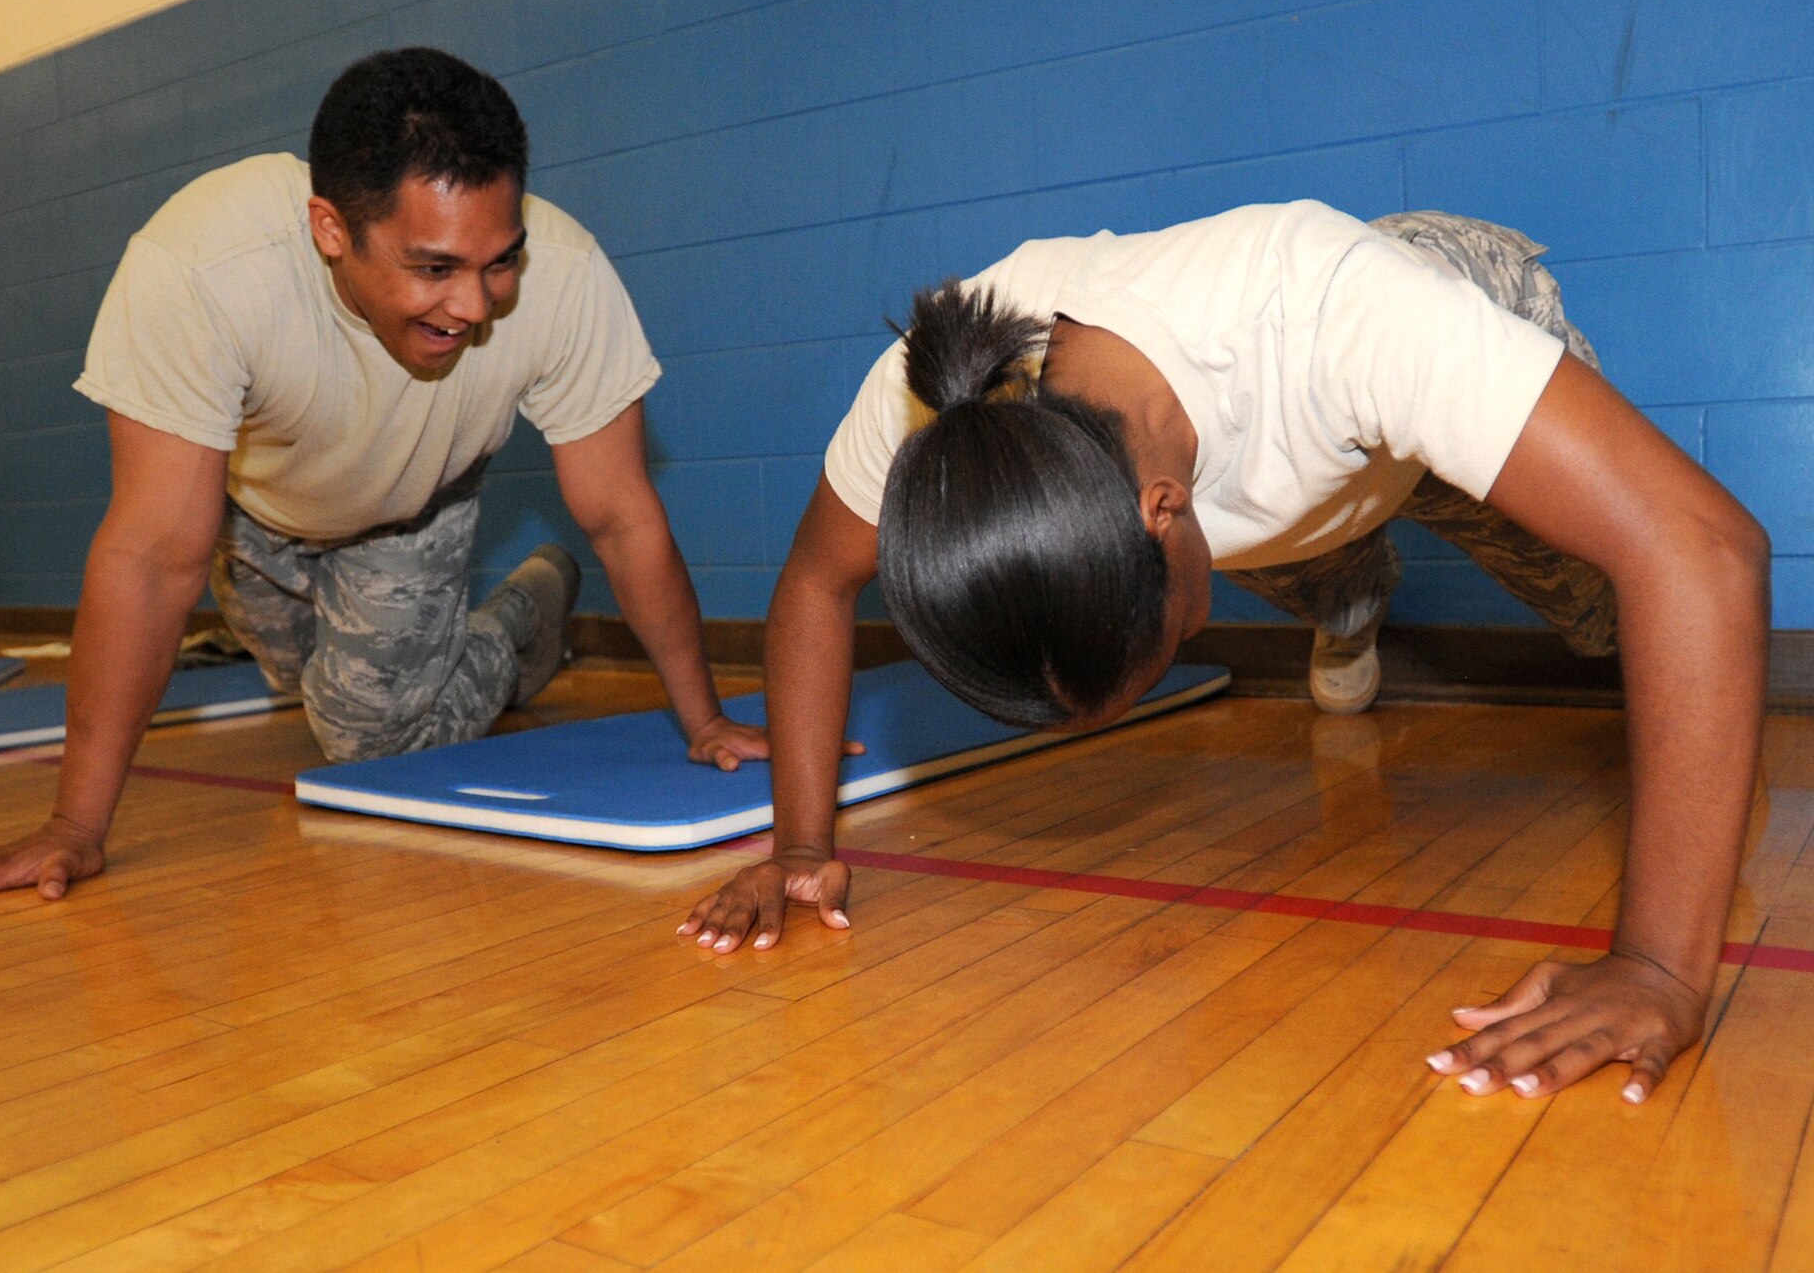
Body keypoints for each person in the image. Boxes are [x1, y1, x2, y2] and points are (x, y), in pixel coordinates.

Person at [680, 202, 1770, 1106]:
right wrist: (799, 842)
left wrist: (1659, 966)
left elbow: (1703, 549)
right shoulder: (939, 423)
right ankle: (1346, 596)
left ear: (1160, 510)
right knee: (1291, 542)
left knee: (1624, 619)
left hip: (1415, 339)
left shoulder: (1340, 319)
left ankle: (1335, 576)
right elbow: (815, 582)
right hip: (1280, 490)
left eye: (1166, 646)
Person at [0, 47, 768, 915]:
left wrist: (704, 720)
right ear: (331, 228)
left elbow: (621, 516)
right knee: (326, 687)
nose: (476, 305)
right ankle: (492, 632)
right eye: (433, 268)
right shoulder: (203, 268)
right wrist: (73, 826)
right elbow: (151, 554)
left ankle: (523, 619)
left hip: (418, 504)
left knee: (371, 740)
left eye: (499, 262)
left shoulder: (565, 278)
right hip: (252, 525)